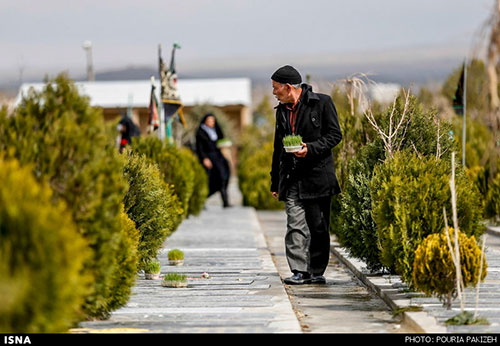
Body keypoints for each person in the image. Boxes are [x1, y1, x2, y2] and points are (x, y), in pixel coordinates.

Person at [270, 65, 342, 285]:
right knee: (295, 224)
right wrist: (275, 181)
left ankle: (316, 271)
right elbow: (277, 148)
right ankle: (299, 270)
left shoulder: (322, 103)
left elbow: (334, 135)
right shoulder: (282, 111)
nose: (273, 92)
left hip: (318, 178)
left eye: (275, 88)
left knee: (319, 227)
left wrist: (310, 149)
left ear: (288, 87)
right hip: (292, 178)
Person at [196, 113, 231, 208]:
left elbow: (221, 140)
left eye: (213, 120)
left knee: (224, 176)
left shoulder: (215, 130)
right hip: (208, 158)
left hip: (218, 157)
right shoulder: (200, 132)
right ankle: (201, 201)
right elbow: (199, 148)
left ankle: (225, 201)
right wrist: (204, 158)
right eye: (209, 120)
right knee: (209, 180)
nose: (211, 122)